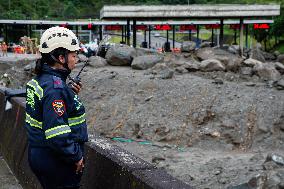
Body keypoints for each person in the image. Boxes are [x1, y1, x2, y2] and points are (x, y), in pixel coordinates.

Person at [25, 26, 88, 189]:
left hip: (39, 153)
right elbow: (56, 133)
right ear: (61, 58)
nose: (77, 59)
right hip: (56, 160)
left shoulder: (43, 80)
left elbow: (46, 111)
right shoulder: (55, 88)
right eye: (74, 55)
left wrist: (68, 93)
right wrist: (76, 156)